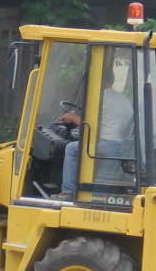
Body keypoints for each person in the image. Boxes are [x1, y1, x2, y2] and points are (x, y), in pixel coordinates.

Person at [53, 64, 133, 200]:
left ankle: (68, 191)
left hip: (108, 145)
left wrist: (73, 118)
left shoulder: (100, 99)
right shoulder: (123, 100)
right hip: (122, 145)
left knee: (71, 148)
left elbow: (91, 127)